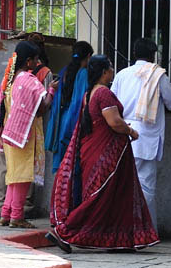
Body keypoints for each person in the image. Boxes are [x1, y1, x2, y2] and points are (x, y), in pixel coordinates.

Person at [47, 55, 158, 252]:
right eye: (110, 68)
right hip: (106, 154)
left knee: (114, 196)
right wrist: (131, 131)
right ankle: (64, 231)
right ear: (104, 71)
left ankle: (118, 240)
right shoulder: (103, 94)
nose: (113, 71)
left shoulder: (89, 93)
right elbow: (114, 122)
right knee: (98, 198)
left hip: (96, 151)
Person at [0, 41, 53, 229]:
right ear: (28, 61)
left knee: (13, 175)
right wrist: (52, 90)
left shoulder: (10, 79)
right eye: (36, 60)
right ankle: (16, 216)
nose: (37, 63)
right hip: (23, 134)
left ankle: (6, 214)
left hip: (9, 132)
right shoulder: (28, 80)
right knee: (22, 176)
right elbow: (42, 107)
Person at [111, 37, 171, 224]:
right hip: (147, 138)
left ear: (134, 54)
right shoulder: (158, 75)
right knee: (146, 187)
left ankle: (123, 228)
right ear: (153, 55)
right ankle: (145, 230)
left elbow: (113, 103)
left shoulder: (122, 74)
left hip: (124, 133)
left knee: (122, 185)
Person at [45, 41, 94, 173]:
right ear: (89, 56)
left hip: (62, 120)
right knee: (74, 165)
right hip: (74, 119)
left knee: (63, 165)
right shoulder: (84, 74)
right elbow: (82, 100)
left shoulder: (65, 71)